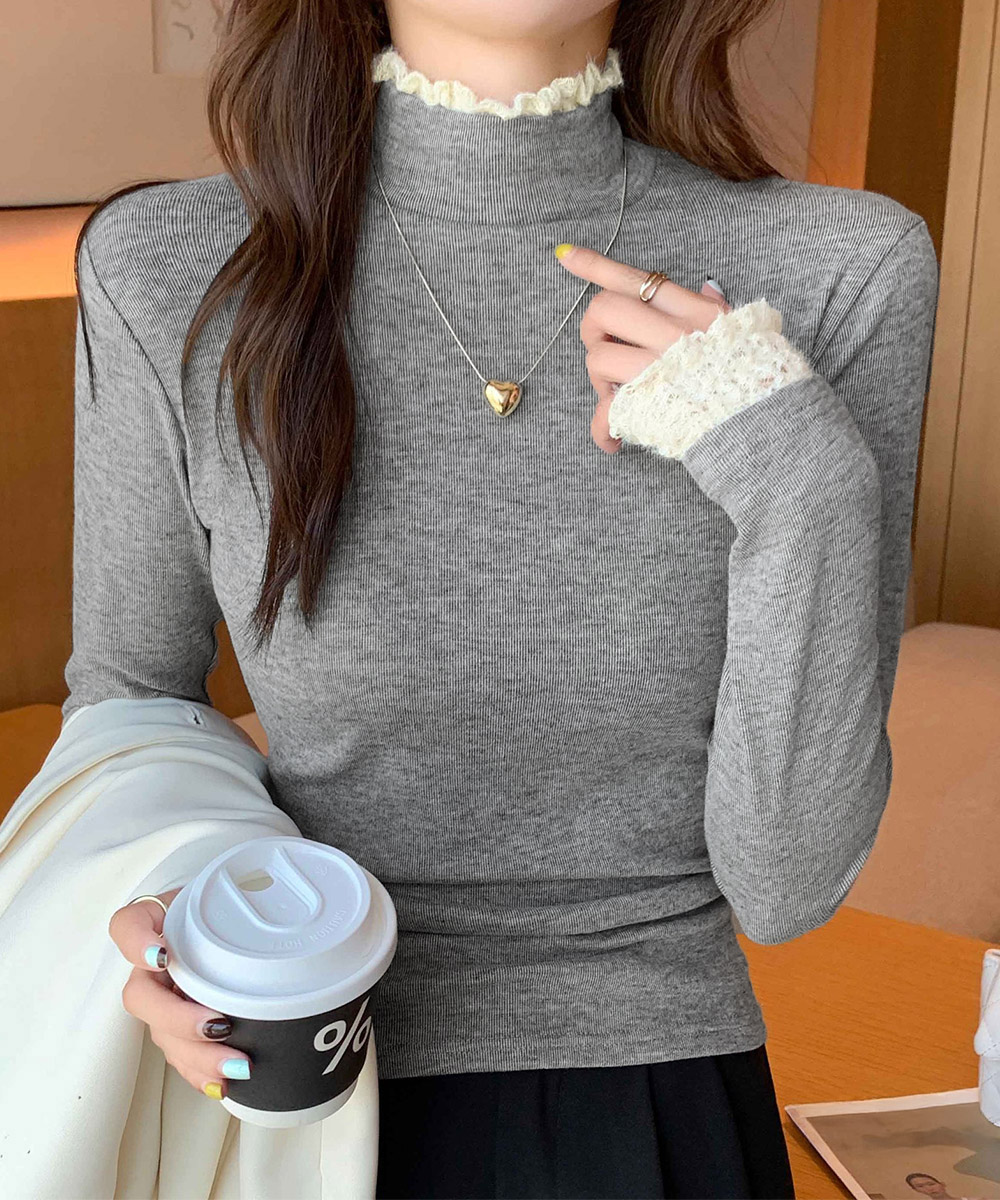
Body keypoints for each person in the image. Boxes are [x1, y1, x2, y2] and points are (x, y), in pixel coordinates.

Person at [30, 0, 941, 1196]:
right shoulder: (163, 265)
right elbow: (131, 702)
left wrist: (800, 475)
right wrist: (173, 909)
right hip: (296, 1086)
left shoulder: (845, 267)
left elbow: (785, 889)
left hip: (657, 1106)